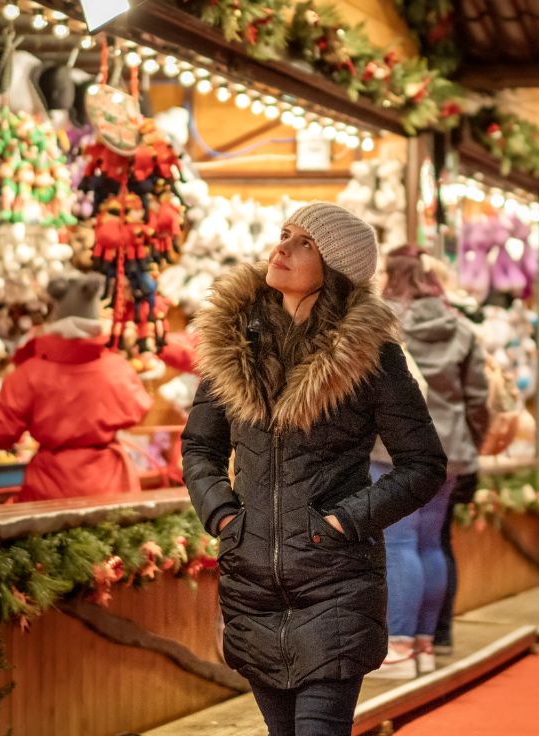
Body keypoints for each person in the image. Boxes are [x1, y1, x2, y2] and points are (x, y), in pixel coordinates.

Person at [181, 204, 447, 735]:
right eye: (284, 235)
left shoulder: (371, 355)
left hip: (336, 583)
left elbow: (422, 464)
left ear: (336, 268)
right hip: (252, 584)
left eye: (304, 243)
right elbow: (199, 448)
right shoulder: (235, 346)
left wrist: (344, 522)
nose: (282, 248)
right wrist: (225, 519)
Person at [368, 246, 490, 679]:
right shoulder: (461, 328)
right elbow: (478, 399)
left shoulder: (381, 324)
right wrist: (469, 444)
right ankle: (423, 644)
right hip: (450, 450)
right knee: (429, 543)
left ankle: (398, 648)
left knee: (398, 544)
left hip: (394, 450)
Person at [0, 271, 152, 501]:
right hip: (113, 486)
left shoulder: (30, 373)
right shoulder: (118, 368)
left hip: (52, 488)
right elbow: (139, 410)